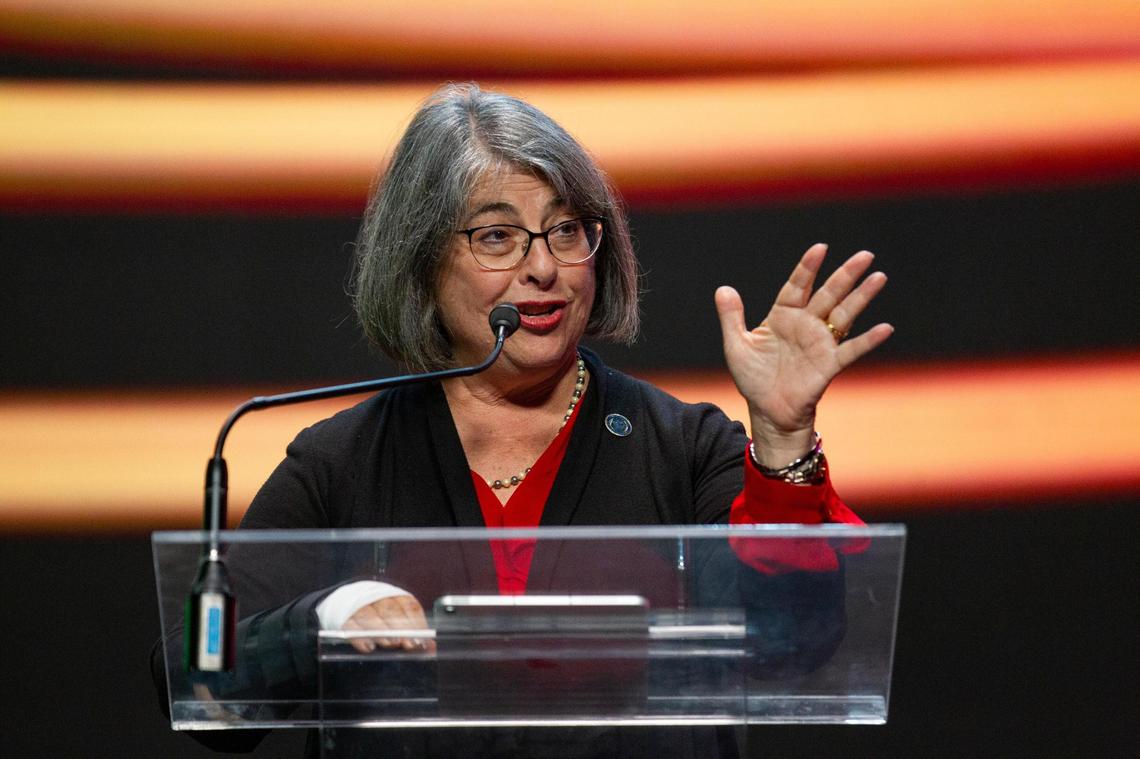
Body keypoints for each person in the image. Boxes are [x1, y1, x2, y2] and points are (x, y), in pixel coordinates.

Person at [157, 82, 892, 757]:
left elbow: (790, 643)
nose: (543, 267)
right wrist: (329, 616)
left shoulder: (685, 448)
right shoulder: (344, 460)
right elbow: (197, 678)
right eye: (497, 236)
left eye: (566, 230)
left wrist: (783, 436)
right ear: (420, 264)